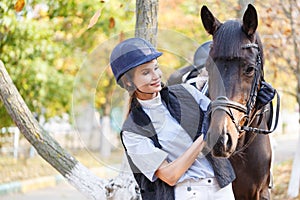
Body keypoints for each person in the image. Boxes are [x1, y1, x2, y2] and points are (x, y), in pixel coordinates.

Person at [109, 37, 236, 200]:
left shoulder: (187, 92)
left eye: (156, 68)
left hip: (222, 188)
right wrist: (205, 137)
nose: (156, 76)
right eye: (146, 72)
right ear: (128, 82)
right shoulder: (133, 131)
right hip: (188, 193)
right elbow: (170, 175)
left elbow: (223, 118)